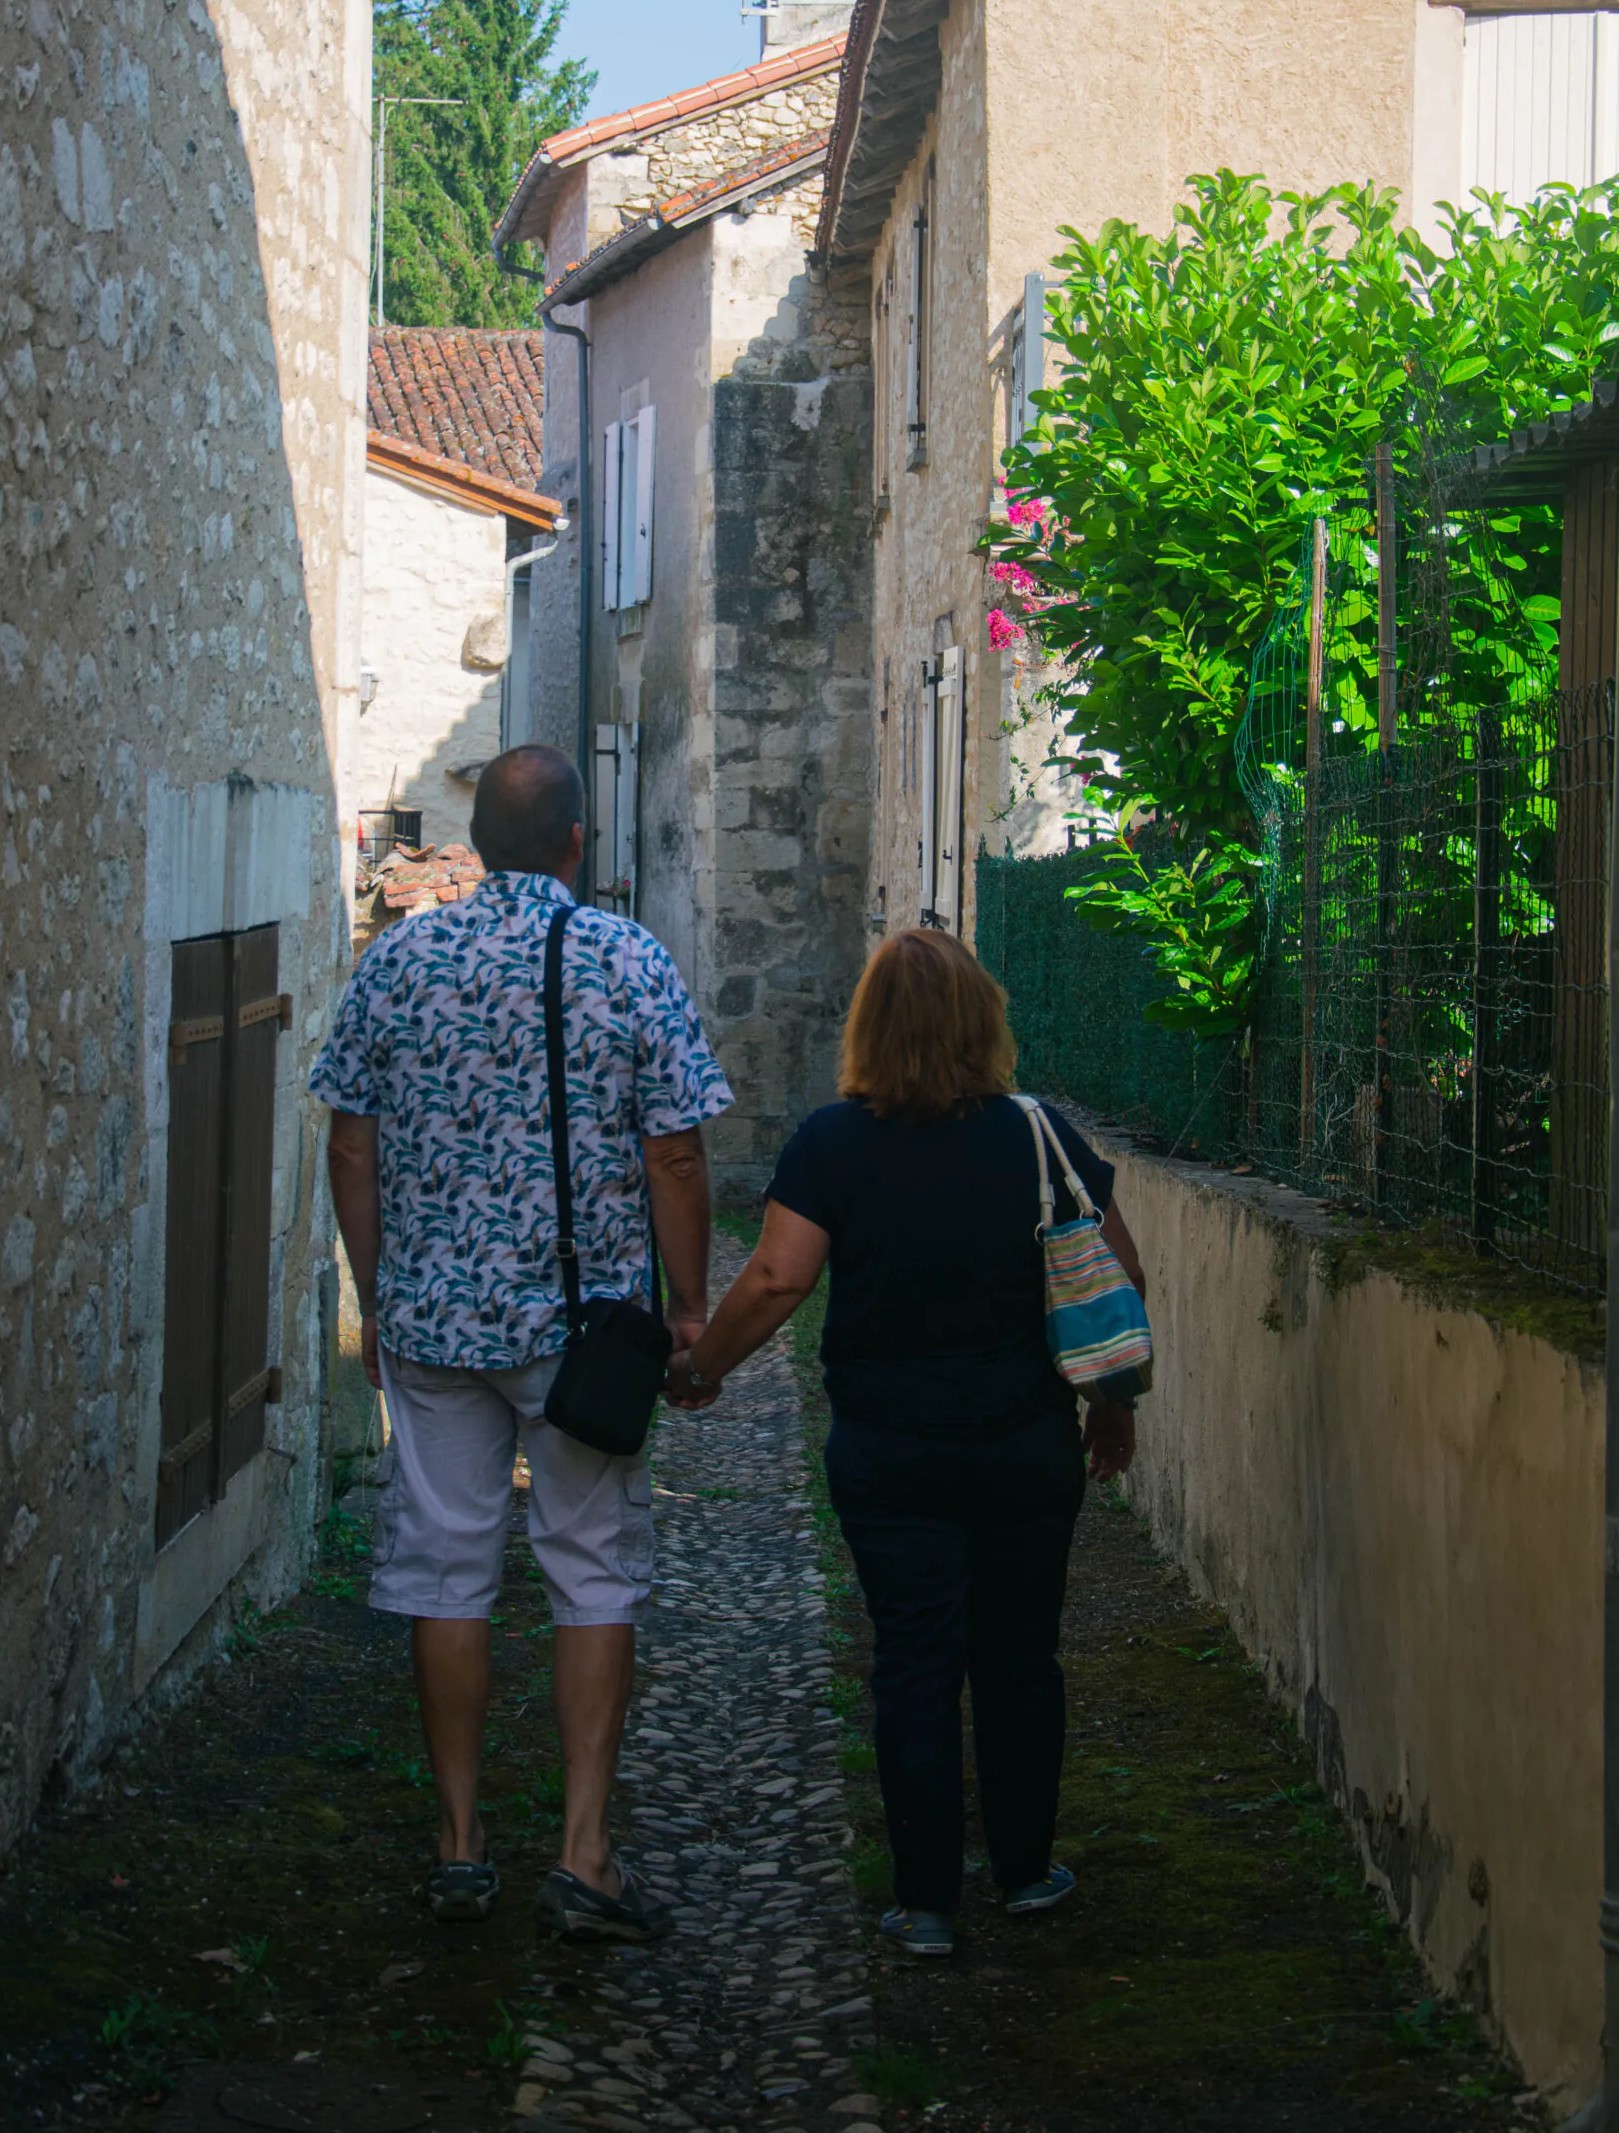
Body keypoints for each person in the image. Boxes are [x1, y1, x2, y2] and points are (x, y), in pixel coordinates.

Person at [312, 743, 732, 1942]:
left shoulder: (397, 962)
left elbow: (350, 1142)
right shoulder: (624, 958)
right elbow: (676, 1150)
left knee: (444, 1567)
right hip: (581, 1328)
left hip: (435, 1322)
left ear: (476, 840)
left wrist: (380, 1292)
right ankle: (584, 1854)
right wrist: (689, 1308)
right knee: (588, 1567)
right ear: (576, 840)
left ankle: (457, 1843)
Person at [665, 927, 1145, 1960]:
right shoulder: (1039, 1135)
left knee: (914, 1660)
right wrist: (1112, 1409)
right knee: (1019, 1656)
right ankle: (1024, 1872)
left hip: (890, 1452)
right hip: (1024, 1445)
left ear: (867, 1028)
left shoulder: (830, 1144)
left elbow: (777, 1279)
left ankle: (925, 1900)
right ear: (984, 1021)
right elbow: (1119, 1281)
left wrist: (702, 1369)